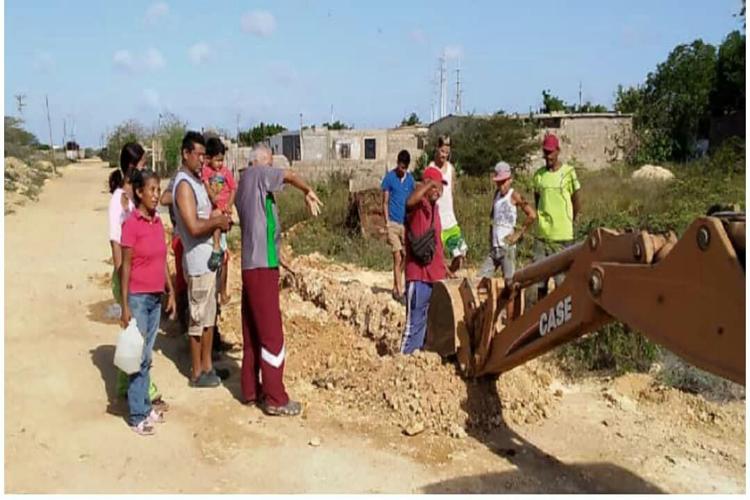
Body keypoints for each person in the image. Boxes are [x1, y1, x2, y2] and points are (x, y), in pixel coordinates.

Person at [235, 145, 322, 416]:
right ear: (260, 163)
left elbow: (261, 228)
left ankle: (250, 389)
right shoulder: (258, 175)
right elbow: (291, 175)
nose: (272, 169)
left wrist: (279, 255)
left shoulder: (246, 186)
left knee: (252, 331)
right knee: (272, 334)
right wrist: (308, 190)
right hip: (261, 269)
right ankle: (275, 397)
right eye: (270, 163)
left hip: (254, 264)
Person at [108, 142, 167, 410]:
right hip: (131, 280)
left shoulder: (136, 204)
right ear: (133, 168)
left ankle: (134, 392)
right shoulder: (120, 204)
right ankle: (138, 404)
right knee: (137, 347)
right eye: (143, 164)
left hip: (145, 281)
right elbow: (118, 246)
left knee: (139, 346)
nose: (146, 168)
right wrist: (125, 290)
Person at [172, 131, 232, 388]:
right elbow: (194, 227)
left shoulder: (196, 180)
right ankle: (197, 371)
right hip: (197, 261)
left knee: (209, 317)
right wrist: (217, 221)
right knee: (198, 319)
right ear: (186, 154)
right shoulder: (184, 185)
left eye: (203, 156)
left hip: (209, 259)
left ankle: (208, 367)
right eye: (198, 155)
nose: (201, 160)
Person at [119, 168, 176, 435]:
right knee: (137, 357)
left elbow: (162, 258)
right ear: (139, 193)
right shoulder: (131, 225)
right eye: (151, 190)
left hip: (155, 296)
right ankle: (137, 415)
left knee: (146, 356)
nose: (156, 195)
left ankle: (143, 404)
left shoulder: (156, 223)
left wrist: (171, 290)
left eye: (158, 189)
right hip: (139, 299)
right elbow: (126, 265)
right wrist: (125, 305)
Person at [400, 167, 452, 355]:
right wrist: (428, 184)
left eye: (441, 187)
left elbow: (437, 243)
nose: (439, 191)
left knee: (429, 324)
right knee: (413, 323)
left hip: (435, 276)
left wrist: (444, 266)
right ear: (427, 185)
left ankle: (419, 359)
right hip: (419, 276)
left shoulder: (434, 209)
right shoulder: (418, 206)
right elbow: (408, 202)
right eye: (436, 186)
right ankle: (403, 359)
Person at [532, 134, 581, 300]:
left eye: (551, 152)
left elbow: (576, 201)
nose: (548, 156)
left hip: (563, 236)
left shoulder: (569, 173)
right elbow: (537, 200)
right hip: (543, 236)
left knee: (563, 283)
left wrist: (570, 221)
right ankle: (540, 319)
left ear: (558, 151)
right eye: (546, 152)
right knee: (539, 282)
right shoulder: (538, 175)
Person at [479, 161, 537, 283]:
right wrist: (491, 239)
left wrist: (518, 233)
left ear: (510, 180)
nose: (501, 186)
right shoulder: (496, 195)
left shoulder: (514, 195)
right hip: (495, 248)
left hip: (507, 248)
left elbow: (532, 214)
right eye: (499, 183)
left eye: (504, 182)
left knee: (509, 283)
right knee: (481, 279)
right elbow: (492, 218)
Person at [202, 137, 237, 307]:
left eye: (221, 160)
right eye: (217, 159)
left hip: (223, 211)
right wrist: (212, 196)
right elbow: (206, 185)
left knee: (223, 258)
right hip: (213, 214)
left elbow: (233, 189)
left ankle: (222, 293)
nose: (219, 163)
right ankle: (216, 294)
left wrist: (229, 205)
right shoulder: (206, 171)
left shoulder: (226, 172)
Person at [425, 136, 468, 274]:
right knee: (437, 257)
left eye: (447, 152)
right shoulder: (430, 169)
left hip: (450, 219)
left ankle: (448, 275)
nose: (444, 155)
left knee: (460, 253)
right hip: (436, 220)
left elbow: (452, 193)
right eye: (442, 151)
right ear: (437, 149)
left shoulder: (451, 169)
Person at [381, 149, 415, 302]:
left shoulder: (410, 181)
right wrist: (387, 222)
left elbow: (413, 201)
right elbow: (385, 202)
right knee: (397, 256)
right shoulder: (389, 178)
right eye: (400, 167)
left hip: (405, 224)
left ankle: (396, 283)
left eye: (405, 168)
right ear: (397, 164)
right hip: (393, 224)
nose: (402, 171)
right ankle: (400, 292)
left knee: (406, 256)